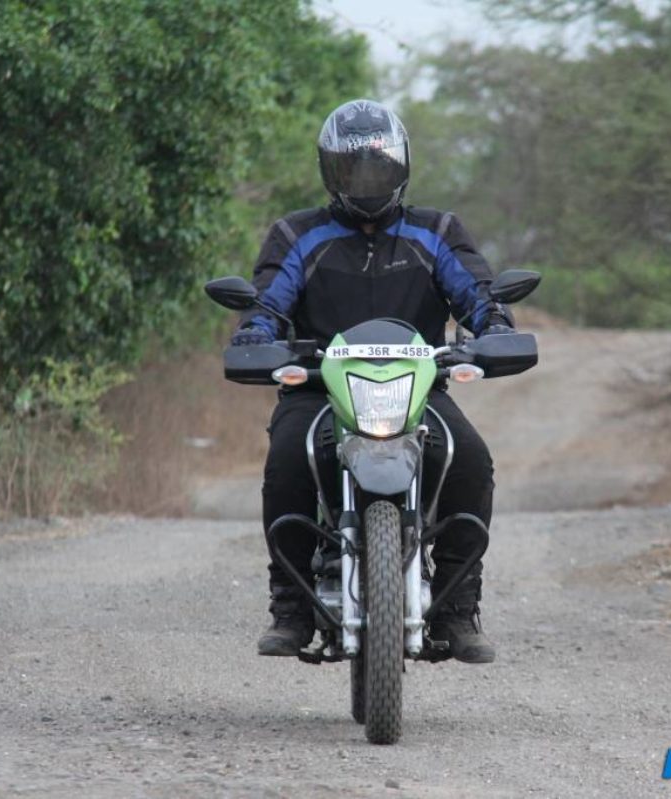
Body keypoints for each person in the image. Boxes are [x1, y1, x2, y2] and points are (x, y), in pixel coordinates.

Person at [232, 99, 514, 664]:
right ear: (330, 170)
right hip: (318, 388)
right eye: (353, 168)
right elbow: (267, 303)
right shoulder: (297, 234)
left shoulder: (436, 231)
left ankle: (458, 608)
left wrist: (496, 327)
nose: (367, 181)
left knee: (469, 460)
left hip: (416, 389)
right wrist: (255, 336)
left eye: (378, 167)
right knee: (288, 460)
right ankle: (290, 606)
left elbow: (477, 294)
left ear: (401, 166)